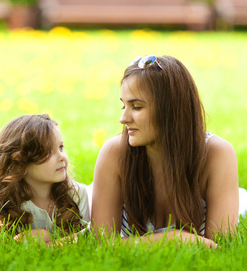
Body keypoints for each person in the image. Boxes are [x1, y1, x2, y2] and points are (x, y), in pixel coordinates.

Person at [91, 55, 239, 248]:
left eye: (136, 107)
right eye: (123, 105)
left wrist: (134, 244)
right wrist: (172, 238)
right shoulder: (114, 153)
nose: (123, 118)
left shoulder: (217, 154)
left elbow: (220, 247)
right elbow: (101, 245)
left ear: (170, 110)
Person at [0, 114, 90, 244]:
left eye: (60, 147)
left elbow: (92, 233)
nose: (61, 157)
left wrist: (50, 238)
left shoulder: (77, 195)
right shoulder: (8, 202)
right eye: (48, 152)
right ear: (20, 163)